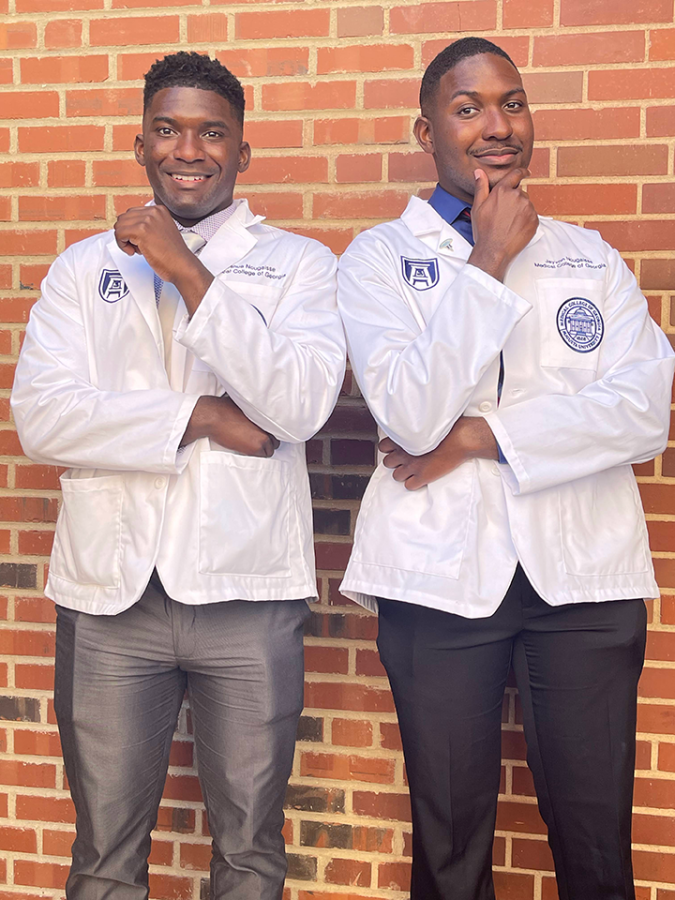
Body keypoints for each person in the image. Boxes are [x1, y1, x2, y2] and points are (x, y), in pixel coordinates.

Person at [337, 36, 675, 900]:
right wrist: (485, 260)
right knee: (448, 844)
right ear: (426, 131)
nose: (496, 125)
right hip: (438, 579)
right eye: (467, 108)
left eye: (511, 104)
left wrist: (478, 439)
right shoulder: (378, 260)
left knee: (596, 840)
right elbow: (409, 414)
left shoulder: (587, 257)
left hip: (584, 585)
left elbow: (641, 413)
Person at [11, 51, 345, 900]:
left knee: (248, 853)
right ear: (139, 144)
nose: (186, 149)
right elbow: (44, 417)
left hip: (247, 595)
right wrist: (197, 418)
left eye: (210, 132)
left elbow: (299, 406)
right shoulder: (82, 271)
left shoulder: (299, 266)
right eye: (167, 129)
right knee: (104, 856)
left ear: (242, 151)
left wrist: (189, 273)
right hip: (111, 599)